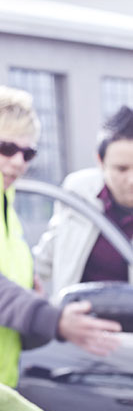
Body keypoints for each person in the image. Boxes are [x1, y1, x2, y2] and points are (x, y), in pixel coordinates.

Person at [0, 87, 121, 387]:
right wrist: (55, 320)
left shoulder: (7, 214)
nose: (19, 161)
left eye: (28, 152)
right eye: (6, 147)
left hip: (1, 382)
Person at [34, 105, 133, 295]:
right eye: (121, 169)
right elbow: (48, 251)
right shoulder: (77, 192)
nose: (131, 180)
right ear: (100, 162)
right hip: (75, 318)